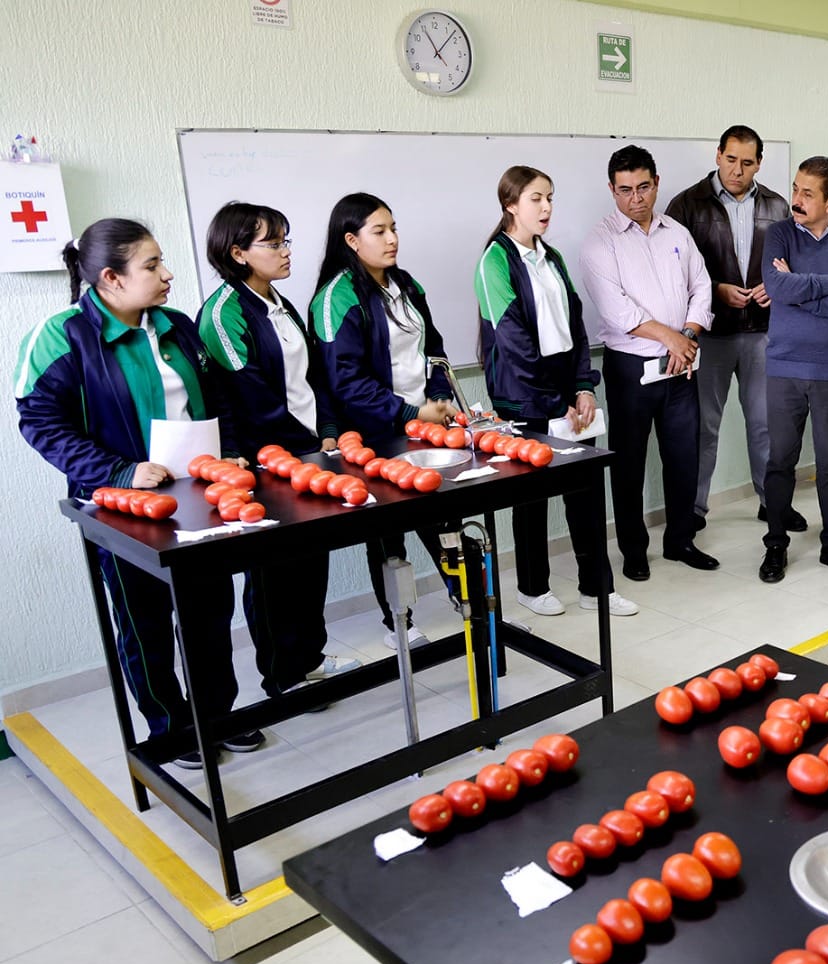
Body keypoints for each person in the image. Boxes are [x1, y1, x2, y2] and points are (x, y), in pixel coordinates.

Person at [15, 219, 251, 768]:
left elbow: (217, 399)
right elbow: (40, 423)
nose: (167, 274)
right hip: (121, 507)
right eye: (151, 265)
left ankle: (218, 715)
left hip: (200, 497)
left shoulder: (177, 326)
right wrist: (118, 471)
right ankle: (171, 729)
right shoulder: (61, 335)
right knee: (144, 621)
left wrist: (232, 450)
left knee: (210, 611)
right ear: (110, 279)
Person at [197, 202, 360, 697]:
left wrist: (329, 431)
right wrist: (306, 446)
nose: (287, 251)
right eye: (274, 243)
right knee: (274, 574)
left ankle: (308, 657)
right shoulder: (223, 312)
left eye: (287, 239)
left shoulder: (282, 304)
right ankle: (282, 675)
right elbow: (250, 399)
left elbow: (313, 379)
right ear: (239, 252)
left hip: (310, 452)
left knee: (311, 562)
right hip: (270, 459)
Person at [475, 165, 638, 619]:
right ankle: (531, 586)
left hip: (567, 392)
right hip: (523, 397)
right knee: (531, 496)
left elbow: (576, 328)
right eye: (535, 199)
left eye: (550, 198)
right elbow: (513, 344)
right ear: (511, 204)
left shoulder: (552, 257)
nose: (546, 208)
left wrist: (584, 387)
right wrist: (556, 402)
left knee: (585, 491)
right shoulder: (494, 261)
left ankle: (597, 588)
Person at [312, 192, 459, 651]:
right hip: (376, 433)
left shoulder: (407, 284)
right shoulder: (336, 297)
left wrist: (436, 397)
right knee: (387, 534)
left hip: (426, 427)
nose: (393, 239)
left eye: (394, 228)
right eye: (380, 231)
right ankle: (398, 620)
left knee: (445, 519)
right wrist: (411, 412)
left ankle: (469, 603)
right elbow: (346, 382)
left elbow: (433, 347)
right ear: (351, 240)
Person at [580, 144, 718, 579]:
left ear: (656, 184)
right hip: (631, 369)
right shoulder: (598, 243)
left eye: (643, 187)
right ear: (611, 189)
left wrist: (689, 336)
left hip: (682, 365)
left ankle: (680, 541)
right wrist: (674, 339)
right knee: (628, 463)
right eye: (624, 190)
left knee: (684, 457)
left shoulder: (676, 232)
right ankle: (633, 551)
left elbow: (702, 285)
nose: (635, 198)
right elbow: (619, 314)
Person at [665, 125, 796, 534]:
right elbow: (671, 274)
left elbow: (793, 264)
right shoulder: (686, 205)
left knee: (765, 424)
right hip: (711, 335)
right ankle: (695, 508)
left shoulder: (777, 206)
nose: (737, 170)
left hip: (762, 332)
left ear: (759, 162)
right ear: (717, 154)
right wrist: (717, 291)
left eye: (747, 162)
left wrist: (775, 288)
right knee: (704, 427)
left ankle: (770, 501)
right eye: (731, 159)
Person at [756, 155, 828, 583]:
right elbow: (775, 287)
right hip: (785, 365)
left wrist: (802, 291)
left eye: (807, 193)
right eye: (795, 189)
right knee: (780, 461)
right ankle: (774, 545)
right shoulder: (780, 233)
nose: (796, 200)